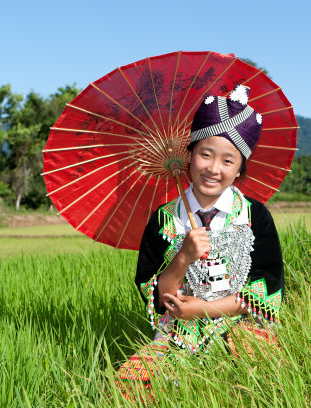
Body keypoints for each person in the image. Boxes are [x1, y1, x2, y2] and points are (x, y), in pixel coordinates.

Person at [116, 84, 284, 392]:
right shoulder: (165, 219)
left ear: (239, 171)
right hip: (180, 329)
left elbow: (265, 294)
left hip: (239, 324)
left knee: (259, 376)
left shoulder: (254, 217)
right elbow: (156, 295)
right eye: (205, 154)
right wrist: (183, 257)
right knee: (130, 385)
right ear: (190, 155)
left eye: (228, 161)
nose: (213, 169)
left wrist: (204, 308)